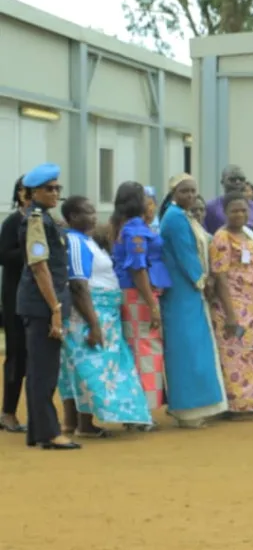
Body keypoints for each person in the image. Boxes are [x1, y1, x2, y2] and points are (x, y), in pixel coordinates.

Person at [57, 195, 152, 436]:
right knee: (90, 367)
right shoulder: (75, 241)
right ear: (72, 218)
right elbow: (78, 285)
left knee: (81, 367)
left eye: (93, 210)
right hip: (92, 314)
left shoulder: (86, 240)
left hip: (104, 312)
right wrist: (94, 324)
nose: (93, 215)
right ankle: (84, 425)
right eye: (87, 211)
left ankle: (76, 423)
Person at [15, 163, 78, 449]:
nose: (55, 193)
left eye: (57, 188)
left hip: (43, 304)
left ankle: (39, 432)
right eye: (49, 189)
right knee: (43, 370)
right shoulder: (37, 220)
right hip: (42, 305)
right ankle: (49, 433)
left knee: (43, 368)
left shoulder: (46, 219)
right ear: (33, 192)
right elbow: (39, 267)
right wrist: (55, 308)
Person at [159, 174, 228, 428]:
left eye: (192, 191)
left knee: (195, 345)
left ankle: (197, 405)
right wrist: (202, 280)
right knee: (186, 348)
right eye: (183, 191)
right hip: (183, 290)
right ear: (173, 193)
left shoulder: (182, 216)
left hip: (189, 291)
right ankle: (188, 409)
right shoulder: (175, 218)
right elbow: (185, 254)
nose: (189, 196)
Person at [209, 192, 253, 413]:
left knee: (250, 352)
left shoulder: (248, 236)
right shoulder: (221, 238)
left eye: (243, 210)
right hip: (231, 306)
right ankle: (236, 404)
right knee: (233, 354)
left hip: (251, 306)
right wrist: (230, 314)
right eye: (234, 211)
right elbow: (220, 276)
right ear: (225, 213)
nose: (239, 214)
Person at [111, 181, 171, 424]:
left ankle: (138, 410)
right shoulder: (134, 229)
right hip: (138, 295)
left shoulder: (125, 225)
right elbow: (138, 269)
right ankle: (141, 411)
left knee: (140, 348)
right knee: (145, 349)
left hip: (136, 293)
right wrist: (153, 304)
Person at [0, 176, 30, 432]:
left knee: (36, 357)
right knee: (17, 355)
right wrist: (33, 249)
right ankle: (8, 412)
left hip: (37, 298)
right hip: (15, 298)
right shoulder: (13, 222)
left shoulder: (44, 222)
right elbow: (4, 256)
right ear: (21, 193)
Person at [204, 165, 253, 233]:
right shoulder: (211, 207)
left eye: (241, 179)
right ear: (222, 182)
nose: (237, 182)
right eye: (232, 179)